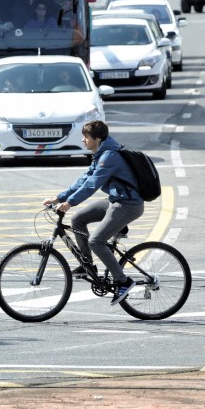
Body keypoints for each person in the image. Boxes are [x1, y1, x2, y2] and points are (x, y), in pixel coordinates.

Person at [42, 121, 143, 305]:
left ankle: (123, 281)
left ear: (97, 139)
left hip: (128, 205)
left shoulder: (109, 157)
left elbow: (91, 185)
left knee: (96, 241)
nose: (83, 140)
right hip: (115, 200)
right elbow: (84, 179)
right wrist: (58, 198)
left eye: (86, 137)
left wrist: (70, 203)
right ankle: (87, 265)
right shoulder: (101, 154)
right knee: (78, 219)